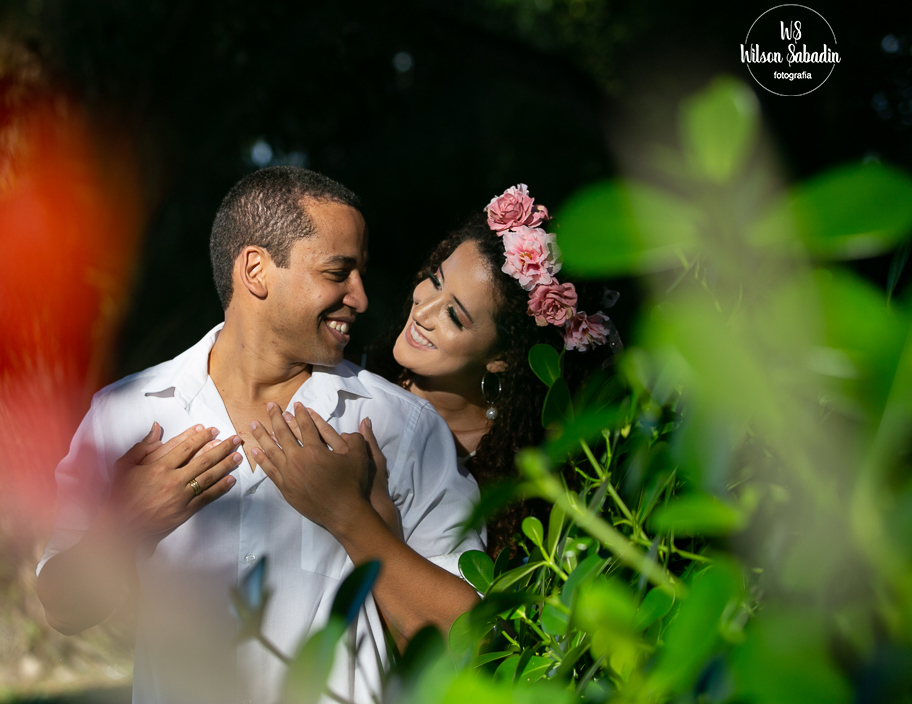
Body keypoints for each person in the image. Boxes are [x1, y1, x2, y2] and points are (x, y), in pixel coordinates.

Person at [35, 167, 483, 704]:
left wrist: (352, 520)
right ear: (256, 270)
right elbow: (63, 610)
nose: (361, 298)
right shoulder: (122, 415)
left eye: (361, 273)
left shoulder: (401, 428)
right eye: (339, 272)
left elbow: (470, 641)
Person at [364, 183, 613, 557]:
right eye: (435, 282)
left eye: (454, 315)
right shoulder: (356, 382)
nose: (422, 311)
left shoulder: (524, 470)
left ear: (504, 359)